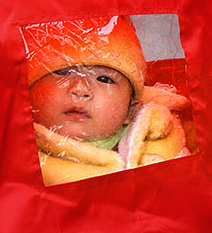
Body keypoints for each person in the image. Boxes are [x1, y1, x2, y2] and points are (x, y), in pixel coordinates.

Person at [24, 16, 191, 186]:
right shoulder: (12, 154)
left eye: (104, 79)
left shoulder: (161, 144)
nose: (80, 89)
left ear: (131, 110)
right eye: (63, 73)